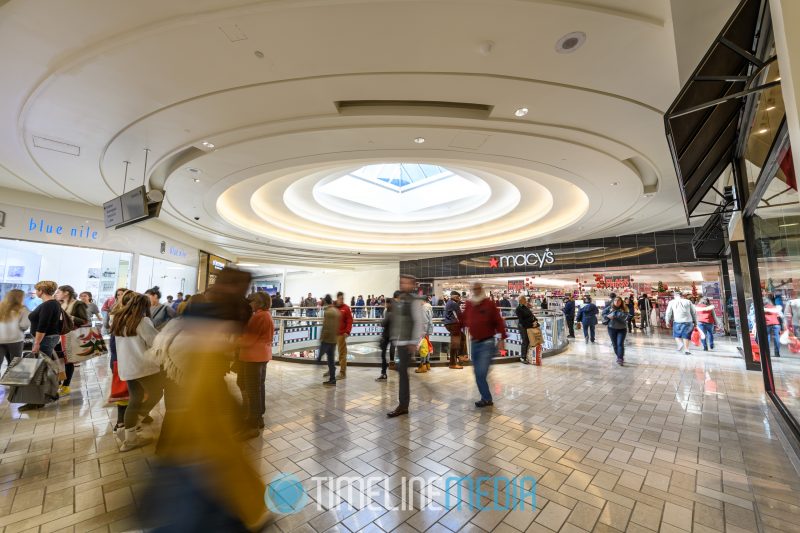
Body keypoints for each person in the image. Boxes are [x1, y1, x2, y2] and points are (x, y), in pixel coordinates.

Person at [112, 292, 162, 451]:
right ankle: (134, 426)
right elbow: (155, 342)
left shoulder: (119, 320)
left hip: (127, 366)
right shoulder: (143, 321)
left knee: (135, 398)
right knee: (156, 393)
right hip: (144, 366)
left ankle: (129, 435)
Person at [18, 281, 63, 411]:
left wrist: (36, 343)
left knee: (39, 370)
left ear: (41, 291)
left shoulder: (49, 305)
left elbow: (43, 326)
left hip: (44, 340)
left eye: (37, 290)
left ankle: (37, 400)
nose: (36, 292)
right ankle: (50, 393)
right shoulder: (53, 303)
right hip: (49, 338)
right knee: (44, 368)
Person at [463, 282, 506, 408]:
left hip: (487, 343)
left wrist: (502, 339)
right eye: (474, 289)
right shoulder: (469, 304)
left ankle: (487, 398)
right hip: (474, 342)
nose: (476, 291)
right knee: (477, 373)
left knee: (480, 373)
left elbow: (498, 321)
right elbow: (463, 319)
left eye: (478, 288)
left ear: (481, 289)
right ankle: (486, 398)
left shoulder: (489, 304)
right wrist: (455, 333)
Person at [237, 293, 274, 437]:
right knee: (259, 388)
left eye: (251, 301)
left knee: (253, 391)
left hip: (253, 356)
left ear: (258, 303)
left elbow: (248, 340)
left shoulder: (259, 316)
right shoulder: (266, 315)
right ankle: (258, 418)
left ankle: (252, 425)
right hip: (262, 355)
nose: (250, 304)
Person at [388, 275, 424, 418]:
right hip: (400, 342)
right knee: (402, 373)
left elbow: (418, 321)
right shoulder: (401, 299)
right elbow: (397, 320)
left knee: (403, 374)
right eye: (402, 282)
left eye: (406, 283)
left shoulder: (414, 301)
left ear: (413, 285)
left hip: (407, 343)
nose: (403, 285)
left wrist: (414, 342)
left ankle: (403, 405)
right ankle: (403, 404)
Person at [56, 285, 89, 396]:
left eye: (59, 291)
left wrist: (69, 316)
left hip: (71, 335)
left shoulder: (78, 304)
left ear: (66, 293)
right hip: (59, 336)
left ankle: (66, 385)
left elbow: (84, 320)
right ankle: (59, 383)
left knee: (68, 360)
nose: (57, 293)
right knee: (59, 359)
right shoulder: (60, 303)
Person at [0, 289, 30, 365]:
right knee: (15, 365)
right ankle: (10, 377)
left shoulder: (1, 307)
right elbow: (24, 326)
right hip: (15, 340)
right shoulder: (23, 309)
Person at [320, 295, 340, 386]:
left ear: (325, 302)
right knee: (331, 359)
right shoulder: (336, 311)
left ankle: (332, 379)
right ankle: (332, 379)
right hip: (334, 338)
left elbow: (326, 326)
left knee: (327, 359)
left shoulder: (327, 312)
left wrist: (322, 337)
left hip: (327, 339)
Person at [604, 297, 630, 365]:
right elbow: (603, 314)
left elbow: (625, 317)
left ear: (621, 302)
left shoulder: (624, 308)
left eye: (618, 301)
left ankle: (620, 358)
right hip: (611, 328)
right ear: (613, 301)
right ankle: (619, 356)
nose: (617, 302)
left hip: (622, 329)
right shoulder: (609, 308)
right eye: (615, 300)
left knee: (620, 344)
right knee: (615, 344)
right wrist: (607, 316)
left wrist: (614, 313)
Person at [332, 292, 353, 379]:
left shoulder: (346, 308)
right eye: (340, 298)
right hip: (332, 334)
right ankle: (331, 369)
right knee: (330, 353)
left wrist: (347, 332)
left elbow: (349, 321)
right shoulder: (333, 307)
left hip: (341, 334)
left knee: (342, 354)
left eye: (342, 299)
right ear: (337, 298)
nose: (341, 300)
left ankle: (342, 372)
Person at [443, 291, 464, 369]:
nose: (459, 299)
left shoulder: (449, 302)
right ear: (455, 297)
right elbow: (460, 315)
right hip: (453, 325)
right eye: (458, 297)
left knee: (463, 337)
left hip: (449, 324)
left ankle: (461, 355)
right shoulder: (454, 304)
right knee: (455, 344)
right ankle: (453, 363)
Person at [376, 296, 394, 381]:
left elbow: (384, 323)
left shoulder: (389, 313)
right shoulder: (392, 312)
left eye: (387, 303)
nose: (385, 305)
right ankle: (384, 372)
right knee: (385, 354)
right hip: (392, 336)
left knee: (383, 355)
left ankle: (383, 373)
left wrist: (381, 322)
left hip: (387, 336)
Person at [416, 297, 434, 373]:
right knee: (426, 347)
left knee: (423, 348)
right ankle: (427, 364)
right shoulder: (429, 307)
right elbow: (430, 320)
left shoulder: (423, 308)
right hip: (428, 330)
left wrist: (422, 333)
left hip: (423, 331)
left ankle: (422, 365)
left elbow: (424, 322)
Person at [515, 296, 536, 363]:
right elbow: (522, 321)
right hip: (523, 327)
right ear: (520, 301)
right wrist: (531, 324)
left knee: (529, 341)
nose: (525, 301)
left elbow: (531, 315)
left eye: (525, 299)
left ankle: (527, 356)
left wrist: (535, 320)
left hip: (529, 326)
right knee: (525, 341)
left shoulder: (525, 307)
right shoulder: (518, 309)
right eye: (524, 300)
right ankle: (523, 357)